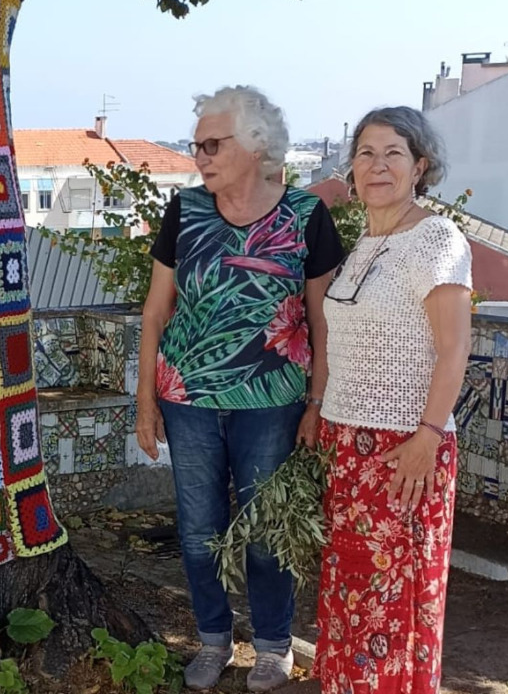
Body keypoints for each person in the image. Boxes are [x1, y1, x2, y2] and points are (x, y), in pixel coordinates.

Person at [136, 85, 344, 691]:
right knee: (200, 532)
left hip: (273, 402)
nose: (199, 154)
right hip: (188, 400)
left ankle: (275, 647)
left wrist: (317, 402)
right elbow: (155, 313)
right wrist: (146, 403)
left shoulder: (305, 217)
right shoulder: (186, 211)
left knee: (266, 531)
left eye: (212, 143)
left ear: (256, 147)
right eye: (196, 143)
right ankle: (213, 641)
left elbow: (322, 318)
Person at [315, 107, 470, 694]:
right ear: (351, 171)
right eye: (365, 154)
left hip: (405, 449)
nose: (377, 166)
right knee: (352, 593)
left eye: (393, 153)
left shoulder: (435, 240)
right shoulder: (367, 242)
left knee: (393, 602)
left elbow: (455, 349)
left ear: (420, 166)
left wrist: (427, 437)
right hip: (348, 448)